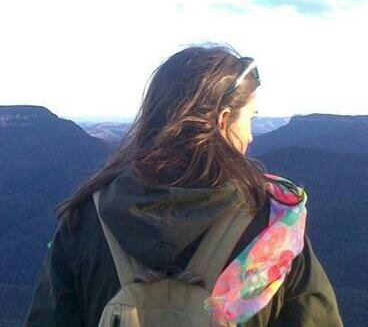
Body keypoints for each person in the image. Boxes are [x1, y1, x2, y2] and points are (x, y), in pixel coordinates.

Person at [23, 44, 344, 326]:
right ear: (223, 120)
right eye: (251, 119)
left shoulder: (87, 218)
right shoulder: (273, 228)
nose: (251, 135)